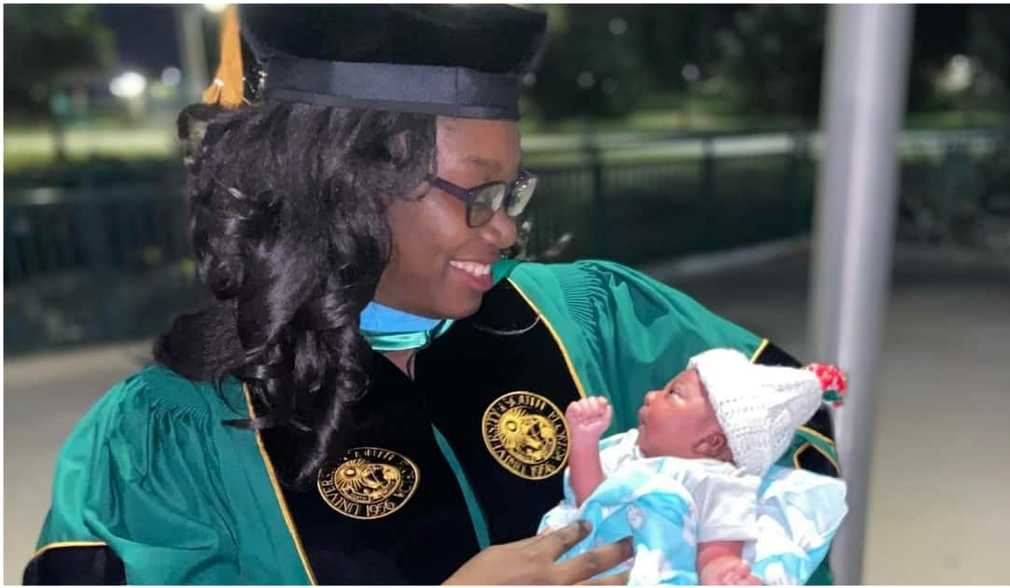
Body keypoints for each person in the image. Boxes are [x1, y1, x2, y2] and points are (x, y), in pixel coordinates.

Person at [23, 5, 842, 585]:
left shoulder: (590, 320)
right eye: (476, 195)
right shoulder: (172, 437)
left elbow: (786, 425)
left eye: (513, 192)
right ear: (345, 187)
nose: (508, 232)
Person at [541, 350, 848, 585]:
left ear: (710, 442)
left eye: (672, 393)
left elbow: (717, 553)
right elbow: (590, 499)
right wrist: (584, 441)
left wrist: (727, 574)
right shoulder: (625, 452)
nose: (650, 395)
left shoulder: (716, 483)